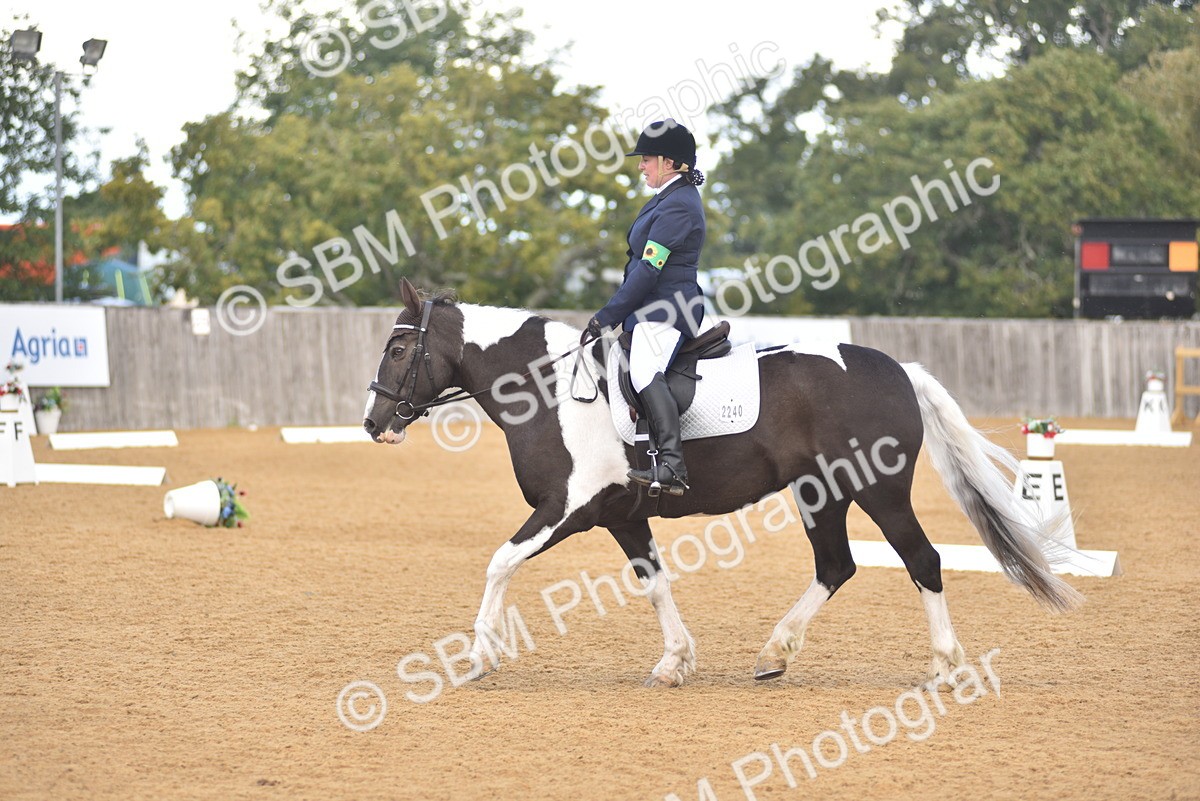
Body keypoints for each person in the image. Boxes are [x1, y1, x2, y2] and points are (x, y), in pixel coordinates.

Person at [581, 119, 707, 496]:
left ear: (669, 162)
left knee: (643, 370)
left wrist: (608, 315)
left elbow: (649, 270)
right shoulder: (665, 198)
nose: (641, 165)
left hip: (669, 308)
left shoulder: (679, 206)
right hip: (652, 308)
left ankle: (672, 465)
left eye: (647, 159)